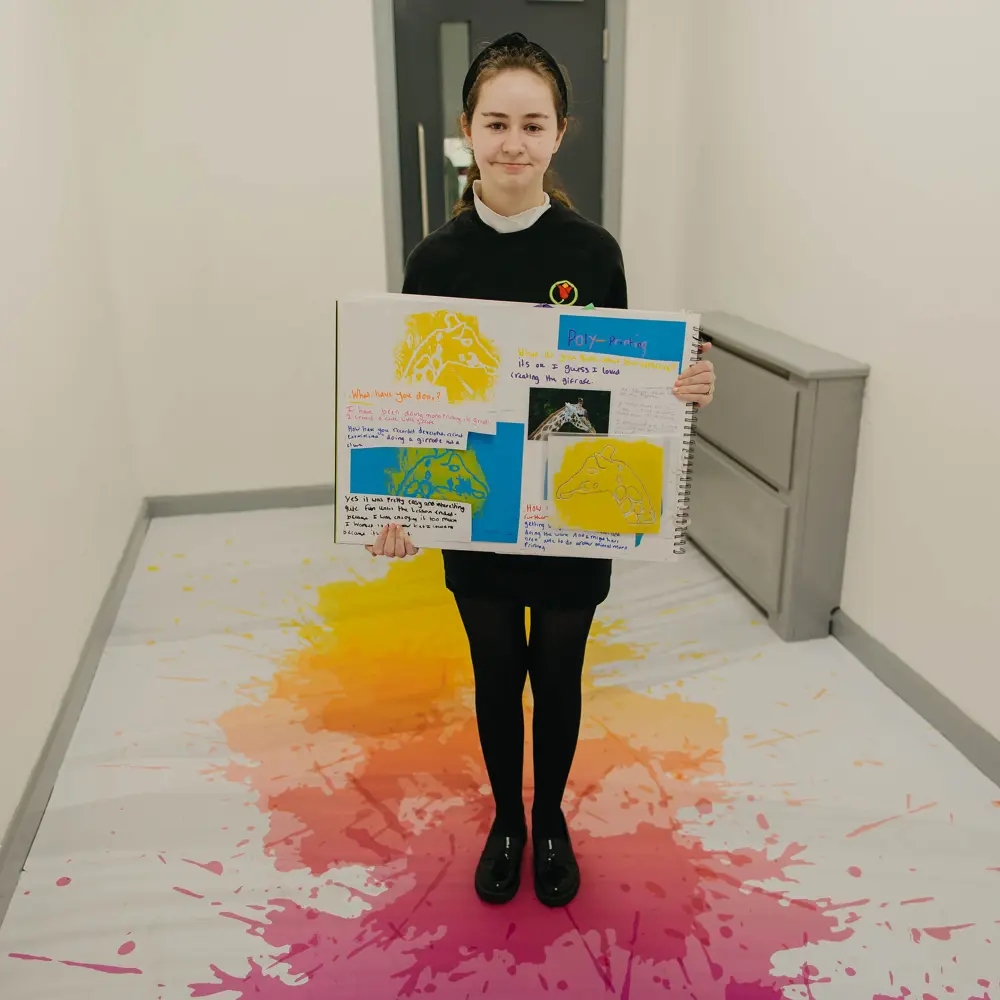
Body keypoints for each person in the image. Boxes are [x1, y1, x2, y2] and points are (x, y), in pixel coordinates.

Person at [367, 32, 716, 907]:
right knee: (496, 673)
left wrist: (681, 387)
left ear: (561, 134)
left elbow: (621, 389)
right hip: (477, 511)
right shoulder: (434, 261)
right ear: (468, 130)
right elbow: (418, 405)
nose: (513, 142)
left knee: (559, 672)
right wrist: (401, 505)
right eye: (496, 123)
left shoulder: (593, 254)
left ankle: (551, 816)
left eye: (533, 123)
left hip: (569, 512)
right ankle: (506, 822)